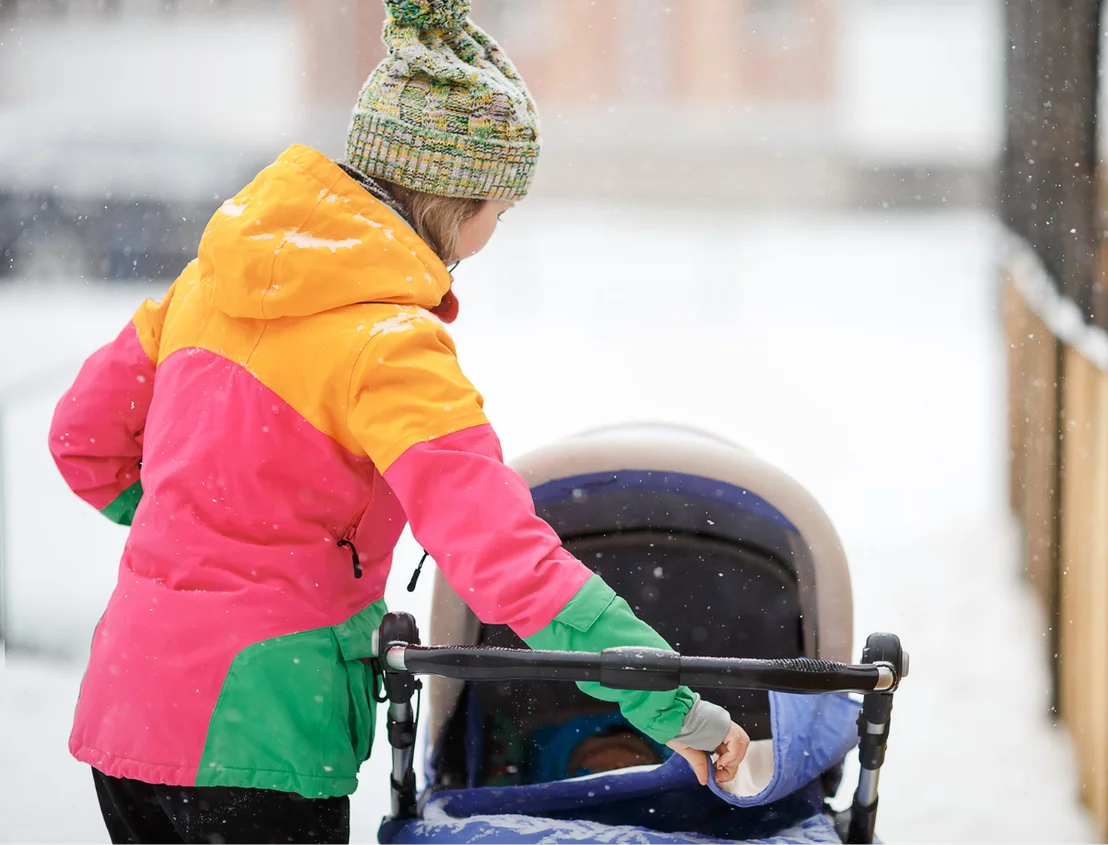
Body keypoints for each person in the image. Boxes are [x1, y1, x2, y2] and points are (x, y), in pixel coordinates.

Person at [47, 1, 748, 842]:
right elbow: (504, 558)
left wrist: (201, 528)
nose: (494, 234)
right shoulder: (388, 343)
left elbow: (83, 442)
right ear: (454, 200)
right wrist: (669, 703)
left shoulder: (204, 285)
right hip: (263, 731)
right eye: (499, 211)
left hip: (129, 711)